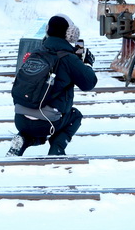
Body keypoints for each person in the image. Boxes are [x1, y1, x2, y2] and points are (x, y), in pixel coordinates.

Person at [7, 15, 97, 156]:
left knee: (38, 124)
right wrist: (86, 64)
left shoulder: (36, 52)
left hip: (20, 120)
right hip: (47, 122)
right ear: (70, 34)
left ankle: (23, 139)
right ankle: (57, 150)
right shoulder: (69, 58)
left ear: (47, 30)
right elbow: (89, 83)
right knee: (75, 116)